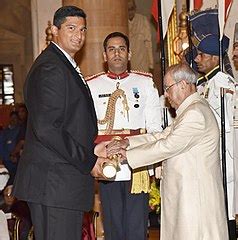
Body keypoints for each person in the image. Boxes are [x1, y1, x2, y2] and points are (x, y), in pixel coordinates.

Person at [12, 6, 108, 240]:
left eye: (83, 29)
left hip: (60, 183)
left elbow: (66, 124)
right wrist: (89, 160)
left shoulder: (62, 64)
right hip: (55, 183)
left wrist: (92, 148)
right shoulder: (51, 67)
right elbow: (47, 128)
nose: (79, 35)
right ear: (55, 30)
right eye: (71, 28)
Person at [104, 63, 229, 240]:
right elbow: (161, 136)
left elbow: (168, 145)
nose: (166, 96)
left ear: (184, 85)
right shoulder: (190, 111)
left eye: (169, 89)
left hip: (195, 202)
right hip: (187, 198)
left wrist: (128, 155)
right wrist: (127, 143)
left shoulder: (195, 113)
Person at [87, 32, 162, 240]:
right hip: (106, 162)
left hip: (136, 162)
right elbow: (87, 127)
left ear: (129, 54)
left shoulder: (145, 82)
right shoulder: (92, 85)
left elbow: (155, 128)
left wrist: (153, 162)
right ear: (104, 55)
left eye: (121, 49)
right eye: (111, 49)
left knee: (137, 226)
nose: (117, 53)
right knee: (113, 226)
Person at [194, 34, 237, 239]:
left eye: (201, 55)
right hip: (208, 157)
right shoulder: (203, 84)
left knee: (225, 209)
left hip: (223, 158)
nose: (196, 59)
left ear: (214, 58)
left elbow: (229, 124)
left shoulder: (224, 84)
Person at [128, 0, 154, 73]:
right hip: (129, 61)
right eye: (128, 9)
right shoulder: (122, 22)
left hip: (142, 60)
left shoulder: (143, 19)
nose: (130, 12)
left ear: (135, 8)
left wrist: (151, 63)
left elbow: (148, 43)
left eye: (132, 9)